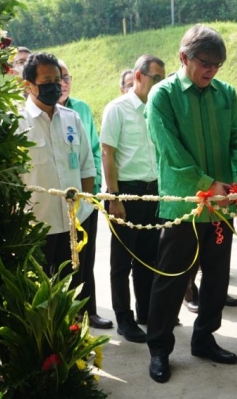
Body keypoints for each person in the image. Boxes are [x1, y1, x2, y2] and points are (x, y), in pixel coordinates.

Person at [145, 24, 237, 383]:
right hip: (183, 206)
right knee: (172, 279)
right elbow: (172, 152)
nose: (211, 70)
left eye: (217, 64)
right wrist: (207, 183)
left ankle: (204, 338)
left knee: (215, 277)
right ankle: (160, 348)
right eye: (205, 63)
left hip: (222, 207)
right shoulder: (162, 96)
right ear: (184, 57)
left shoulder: (225, 94)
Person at [100, 54, 165, 343]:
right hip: (124, 192)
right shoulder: (117, 108)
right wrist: (114, 197)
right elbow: (107, 154)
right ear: (138, 77)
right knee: (121, 261)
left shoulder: (157, 109)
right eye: (156, 78)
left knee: (148, 258)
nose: (160, 84)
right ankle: (123, 319)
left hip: (153, 192)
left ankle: (146, 312)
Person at [18, 52, 96, 283]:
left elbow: (86, 168)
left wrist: (84, 209)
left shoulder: (72, 119)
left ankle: (82, 318)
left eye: (58, 81)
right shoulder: (16, 123)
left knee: (75, 287)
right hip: (36, 227)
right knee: (40, 292)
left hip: (73, 224)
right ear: (28, 85)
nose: (56, 87)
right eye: (47, 83)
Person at [58, 59, 112, 329]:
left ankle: (90, 311)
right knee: (64, 263)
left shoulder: (80, 109)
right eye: (59, 78)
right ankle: (67, 319)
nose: (64, 83)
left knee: (86, 260)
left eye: (68, 77)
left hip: (85, 200)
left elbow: (91, 150)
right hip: (57, 204)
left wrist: (91, 194)